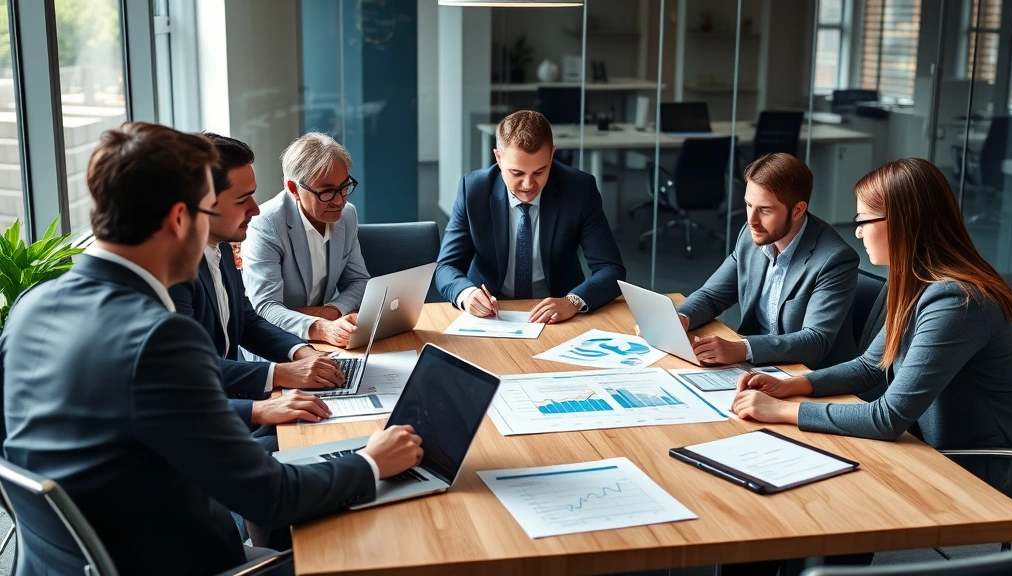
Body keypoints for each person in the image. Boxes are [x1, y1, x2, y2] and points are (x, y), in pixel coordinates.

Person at [0, 122, 423, 575]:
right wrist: (369, 463)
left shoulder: (31, 305)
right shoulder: (157, 337)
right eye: (217, 208)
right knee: (395, 550)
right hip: (183, 562)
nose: (256, 213)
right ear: (181, 219)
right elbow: (269, 496)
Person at [732, 158, 1012, 504]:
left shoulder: (957, 300)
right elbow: (871, 366)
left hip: (982, 462)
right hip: (927, 440)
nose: (857, 232)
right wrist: (792, 385)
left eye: (864, 221)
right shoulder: (917, 282)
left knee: (829, 493)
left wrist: (780, 411)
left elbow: (887, 418)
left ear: (902, 224)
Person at [170, 133, 346, 449]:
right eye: (242, 199)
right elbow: (190, 374)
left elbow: (248, 322)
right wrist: (282, 374)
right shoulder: (172, 272)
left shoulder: (220, 247)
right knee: (330, 445)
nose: (255, 208)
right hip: (206, 430)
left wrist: (302, 352)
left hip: (237, 407)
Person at [434, 110, 626, 324]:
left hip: (558, 315)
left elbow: (611, 268)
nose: (528, 185)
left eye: (539, 172)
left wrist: (572, 301)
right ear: (498, 158)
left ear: (552, 155)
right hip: (492, 315)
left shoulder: (579, 189)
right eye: (517, 173)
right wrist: (467, 294)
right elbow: (446, 267)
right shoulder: (474, 190)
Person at [675, 152, 858, 369]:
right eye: (748, 205)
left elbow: (815, 341)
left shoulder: (834, 259)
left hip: (805, 375)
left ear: (798, 210)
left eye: (765, 210)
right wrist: (681, 318)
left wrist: (741, 349)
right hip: (755, 366)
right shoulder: (751, 236)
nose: (751, 220)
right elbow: (713, 295)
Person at [241, 133, 368, 346]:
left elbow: (358, 281)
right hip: (275, 342)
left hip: (329, 336)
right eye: (326, 192)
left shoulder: (347, 215)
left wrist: (332, 311)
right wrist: (322, 327)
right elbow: (265, 308)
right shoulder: (266, 224)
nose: (339, 201)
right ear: (294, 189)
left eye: (344, 187)